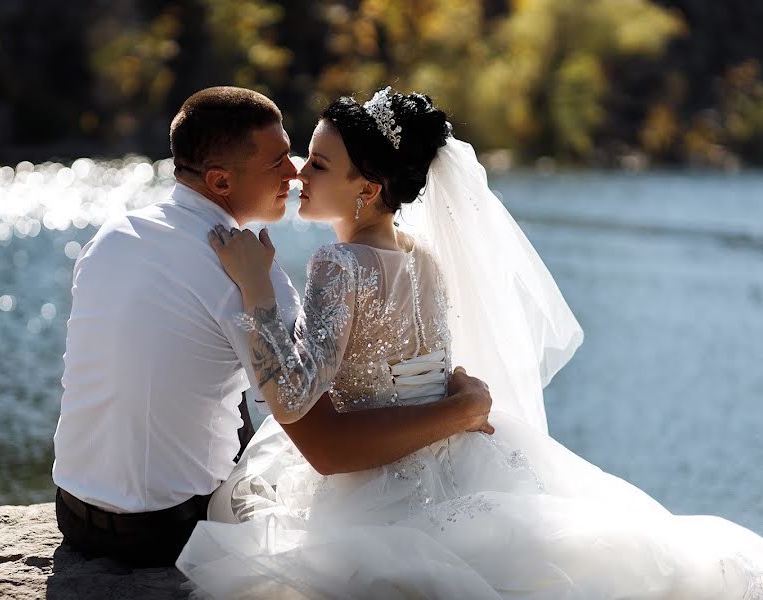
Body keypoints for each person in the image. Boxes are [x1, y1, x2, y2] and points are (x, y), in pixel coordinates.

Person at [176, 88, 763, 597]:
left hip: (379, 484)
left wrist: (256, 289)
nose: (301, 173)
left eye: (322, 166)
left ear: (369, 188)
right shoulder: (425, 258)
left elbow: (298, 392)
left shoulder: (339, 263)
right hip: (452, 464)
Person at [51, 86, 496, 567]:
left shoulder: (108, 236)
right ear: (221, 182)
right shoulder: (250, 271)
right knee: (249, 395)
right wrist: (465, 408)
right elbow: (313, 428)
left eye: (305, 159)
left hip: (72, 509)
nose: (295, 171)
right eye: (279, 160)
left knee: (221, 380)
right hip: (167, 530)